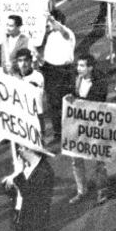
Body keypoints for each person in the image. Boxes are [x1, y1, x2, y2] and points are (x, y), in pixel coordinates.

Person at [65, 54, 109, 204]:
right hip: (78, 124)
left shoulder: (100, 82)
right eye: (78, 65)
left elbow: (98, 100)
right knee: (76, 158)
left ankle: (102, 191)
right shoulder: (76, 80)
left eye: (82, 66)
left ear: (90, 67)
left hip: (94, 125)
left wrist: (77, 101)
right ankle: (81, 190)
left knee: (98, 160)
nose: (79, 68)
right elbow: (72, 94)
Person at [39, 9, 75, 143]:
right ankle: (58, 134)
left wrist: (52, 20)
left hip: (63, 72)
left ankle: (71, 133)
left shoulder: (68, 33)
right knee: (53, 105)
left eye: (50, 22)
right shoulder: (50, 36)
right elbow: (48, 56)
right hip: (50, 71)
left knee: (66, 103)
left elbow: (64, 32)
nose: (48, 24)